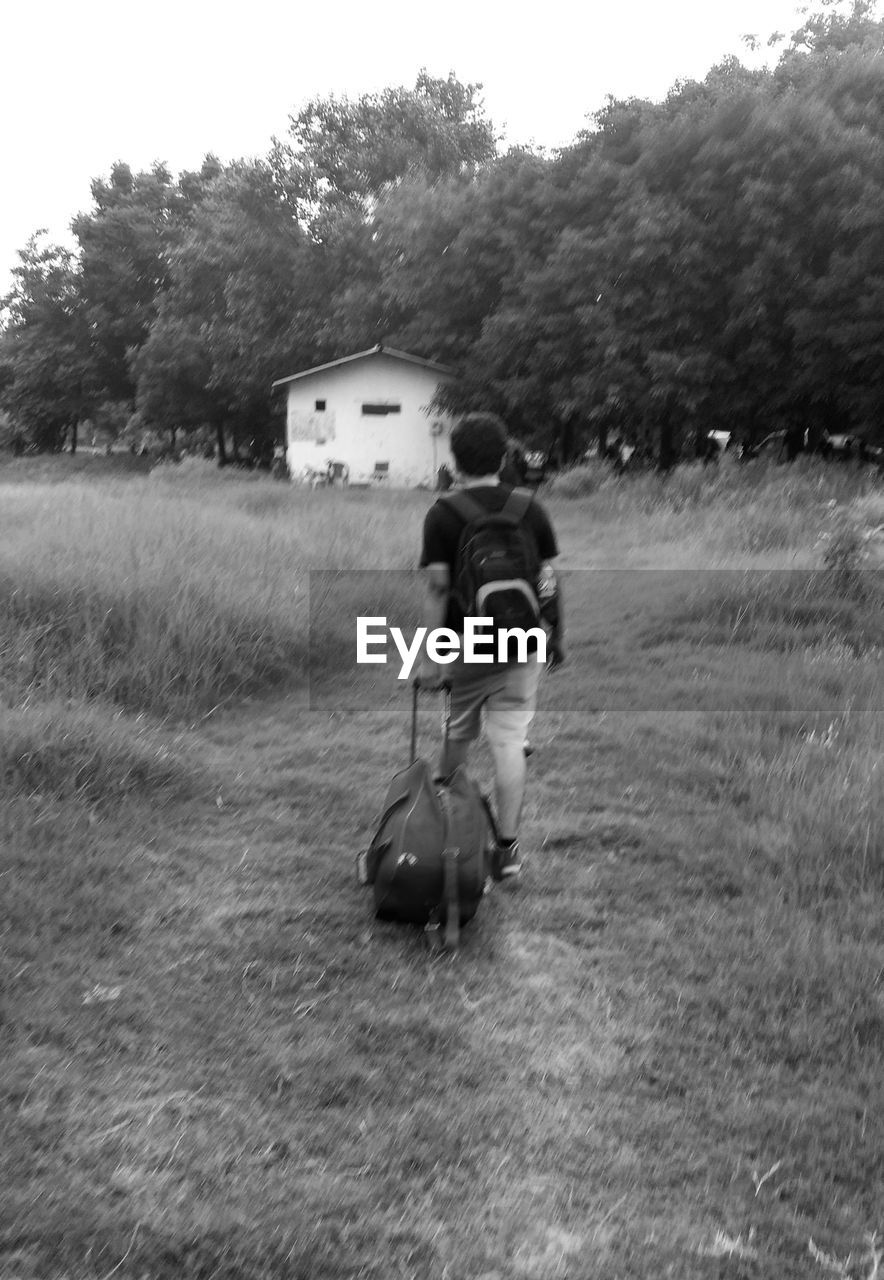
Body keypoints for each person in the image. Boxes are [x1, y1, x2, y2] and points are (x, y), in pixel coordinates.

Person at [417, 412, 564, 882]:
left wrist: (431, 657)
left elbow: (439, 590)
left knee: (458, 732)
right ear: (504, 458)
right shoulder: (530, 509)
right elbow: (545, 580)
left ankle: (446, 831)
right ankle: (507, 850)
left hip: (467, 644)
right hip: (522, 643)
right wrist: (553, 636)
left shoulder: (443, 514)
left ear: (454, 460)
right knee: (509, 741)